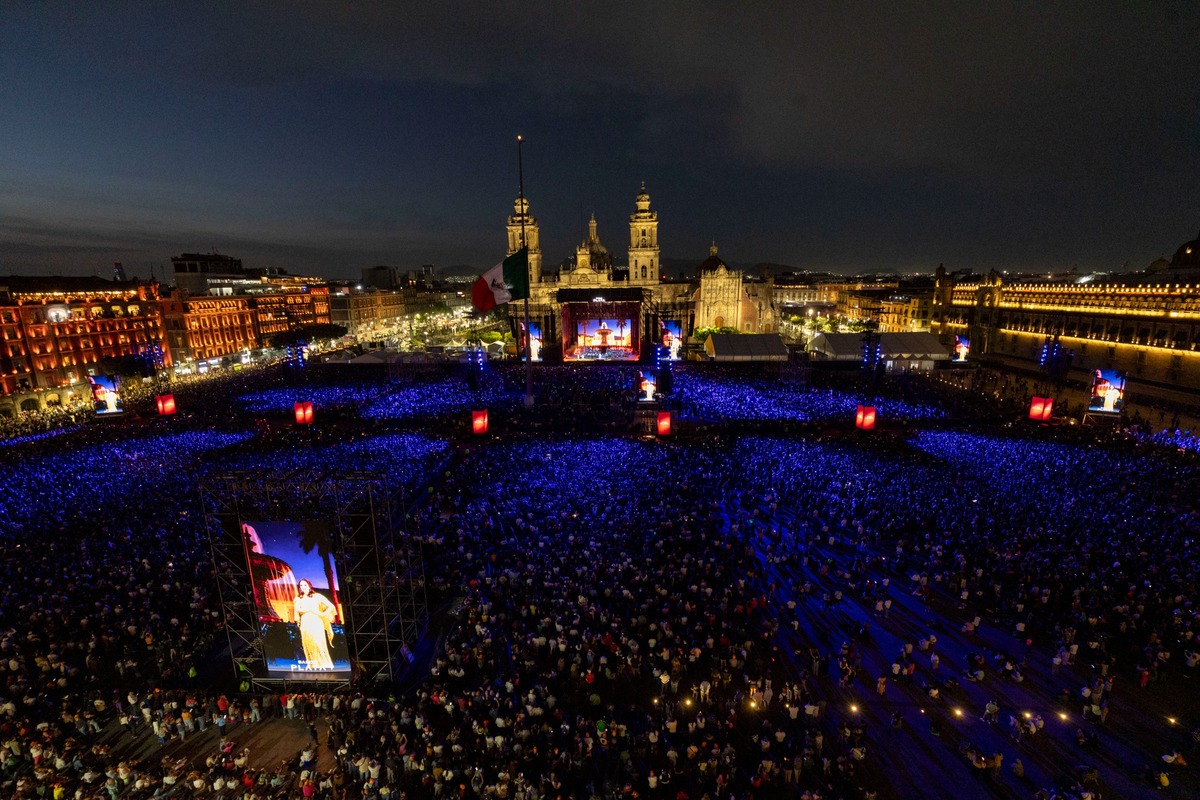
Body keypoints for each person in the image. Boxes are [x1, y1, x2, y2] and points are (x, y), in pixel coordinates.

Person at [294, 579, 337, 670]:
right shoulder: (298, 599)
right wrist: (309, 610)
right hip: (305, 623)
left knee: (318, 642)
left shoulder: (317, 596)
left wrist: (322, 614)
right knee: (308, 644)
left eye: (305, 585)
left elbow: (331, 606)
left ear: (309, 586)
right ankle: (312, 665)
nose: (303, 587)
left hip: (316, 622)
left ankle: (324, 664)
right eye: (301, 585)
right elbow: (297, 610)